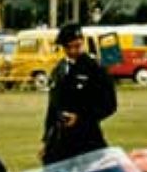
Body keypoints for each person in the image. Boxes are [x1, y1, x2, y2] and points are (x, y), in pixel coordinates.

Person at [41, 23, 117, 164]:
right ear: (64, 47)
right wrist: (46, 141)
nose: (76, 50)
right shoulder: (59, 70)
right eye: (71, 47)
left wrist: (80, 118)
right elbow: (52, 108)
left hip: (87, 139)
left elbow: (109, 105)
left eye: (79, 45)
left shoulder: (95, 68)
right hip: (60, 142)